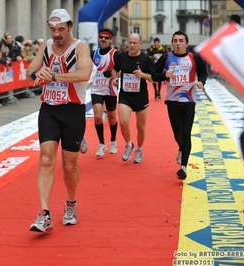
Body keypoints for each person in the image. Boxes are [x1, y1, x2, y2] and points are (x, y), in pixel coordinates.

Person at [26, 8, 93, 232]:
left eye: (61, 29)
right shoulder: (46, 45)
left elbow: (84, 73)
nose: (57, 34)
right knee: (46, 161)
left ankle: (70, 203)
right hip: (49, 110)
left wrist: (54, 76)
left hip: (73, 111)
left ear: (70, 27)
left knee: (69, 165)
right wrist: (39, 75)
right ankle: (44, 213)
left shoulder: (79, 46)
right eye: (53, 29)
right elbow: (30, 71)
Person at [151, 31, 207, 179]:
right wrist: (164, 76)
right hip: (172, 101)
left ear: (186, 43)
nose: (178, 43)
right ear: (172, 43)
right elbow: (153, 74)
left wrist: (201, 82)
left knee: (186, 133)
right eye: (175, 40)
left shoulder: (193, 57)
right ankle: (181, 148)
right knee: (178, 135)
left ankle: (183, 167)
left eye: (181, 40)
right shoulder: (166, 57)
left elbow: (203, 73)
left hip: (189, 101)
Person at [111, 33, 154, 164]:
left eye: (135, 43)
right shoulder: (121, 57)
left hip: (141, 97)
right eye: (130, 42)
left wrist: (142, 75)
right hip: (125, 95)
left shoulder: (146, 59)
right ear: (127, 43)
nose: (132, 45)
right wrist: (115, 78)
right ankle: (129, 144)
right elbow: (114, 70)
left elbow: (153, 78)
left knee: (140, 126)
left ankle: (139, 149)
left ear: (140, 44)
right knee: (123, 121)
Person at [89, 28, 120, 157]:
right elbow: (88, 68)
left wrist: (113, 73)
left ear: (110, 40)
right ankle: (101, 144)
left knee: (112, 119)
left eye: (106, 38)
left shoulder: (115, 54)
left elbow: (122, 70)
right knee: (97, 116)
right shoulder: (94, 53)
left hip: (110, 89)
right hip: (96, 88)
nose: (103, 39)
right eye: (101, 37)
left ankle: (113, 141)